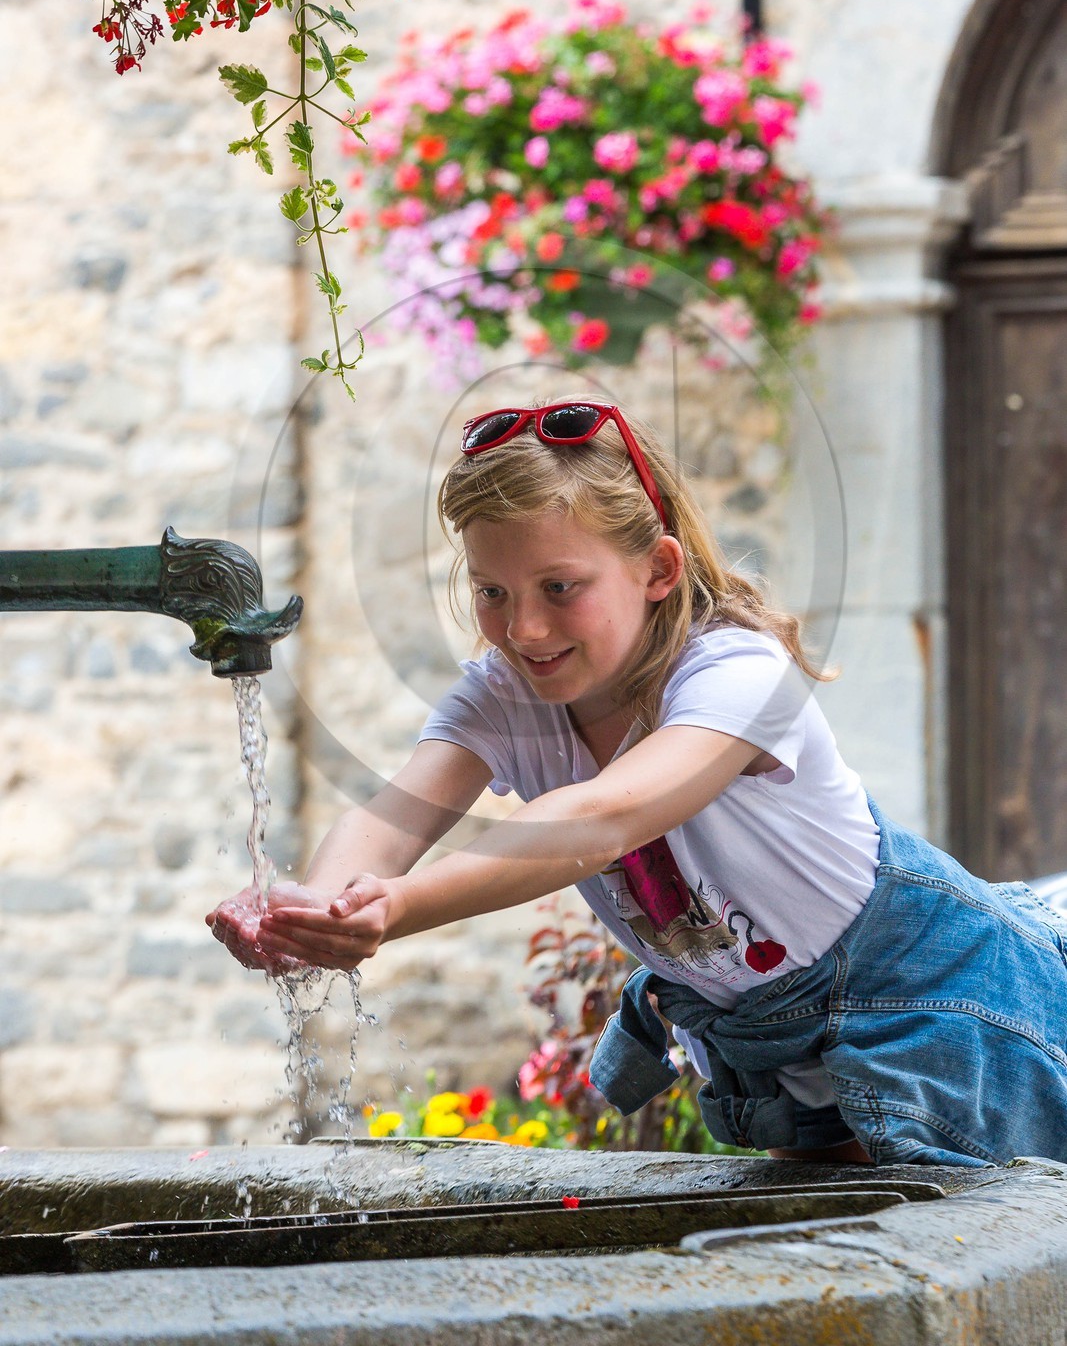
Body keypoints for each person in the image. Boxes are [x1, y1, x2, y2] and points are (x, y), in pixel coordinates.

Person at [208, 399, 1067, 1168]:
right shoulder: (504, 694)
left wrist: (396, 909)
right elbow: (392, 817)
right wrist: (311, 911)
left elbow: (599, 819)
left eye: (559, 587)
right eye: (492, 591)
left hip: (932, 997)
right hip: (779, 1043)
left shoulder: (736, 669)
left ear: (656, 570)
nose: (523, 626)